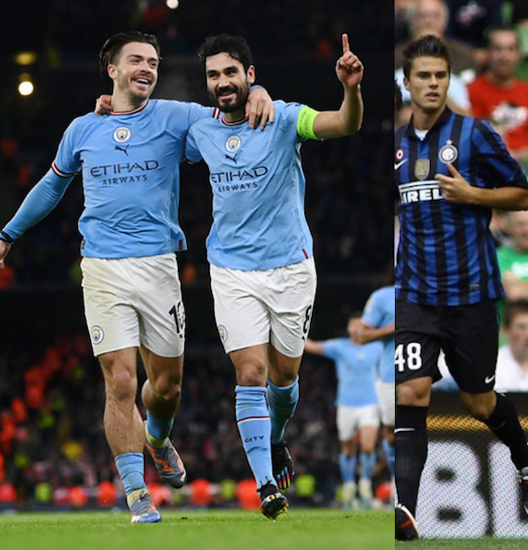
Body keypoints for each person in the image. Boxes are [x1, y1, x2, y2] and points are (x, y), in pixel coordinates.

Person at [0, 31, 273, 524]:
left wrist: (260, 94)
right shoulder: (82, 129)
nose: (148, 68)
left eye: (154, 62)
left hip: (159, 266)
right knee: (120, 381)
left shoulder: (176, 117)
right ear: (112, 70)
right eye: (136, 60)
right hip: (101, 268)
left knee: (166, 388)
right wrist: (5, 236)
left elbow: (232, 116)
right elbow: (51, 187)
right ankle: (138, 495)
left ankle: (157, 437)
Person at [183, 33, 363, 520]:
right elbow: (148, 122)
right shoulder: (199, 128)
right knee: (250, 372)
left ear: (250, 75)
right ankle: (265, 484)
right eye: (213, 75)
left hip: (290, 269)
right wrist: (111, 103)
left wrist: (351, 89)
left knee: (284, 377)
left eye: (230, 73)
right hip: (231, 269)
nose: (222, 82)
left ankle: (277, 439)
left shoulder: (283, 116)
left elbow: (344, 125)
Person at [395, 34, 528, 541]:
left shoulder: (475, 134)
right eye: (423, 76)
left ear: (448, 80)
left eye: (440, 75)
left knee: (478, 403)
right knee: (411, 392)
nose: (432, 83)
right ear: (407, 82)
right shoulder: (393, 146)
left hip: (472, 294)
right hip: (415, 296)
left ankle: (526, 458)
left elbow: (523, 196)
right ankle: (405, 514)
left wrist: (472, 193)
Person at [304, 317, 383, 510]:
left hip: (369, 404)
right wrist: (293, 334)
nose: (356, 329)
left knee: (367, 447)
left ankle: (365, 488)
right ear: (348, 329)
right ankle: (349, 488)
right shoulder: (339, 347)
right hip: (346, 405)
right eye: (353, 326)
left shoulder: (377, 347)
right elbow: (312, 346)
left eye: (360, 326)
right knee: (347, 449)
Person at [466, 25, 528, 164]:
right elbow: (472, 139)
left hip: (527, 161)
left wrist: (525, 155)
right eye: (498, 49)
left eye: (510, 49)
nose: (504, 56)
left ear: (519, 55)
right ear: (488, 53)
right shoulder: (471, 91)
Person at [349, 270, 396, 504]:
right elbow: (360, 336)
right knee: (392, 434)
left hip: (425, 371)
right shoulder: (382, 297)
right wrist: (392, 328)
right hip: (389, 375)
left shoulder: (428, 290)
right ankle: (398, 484)